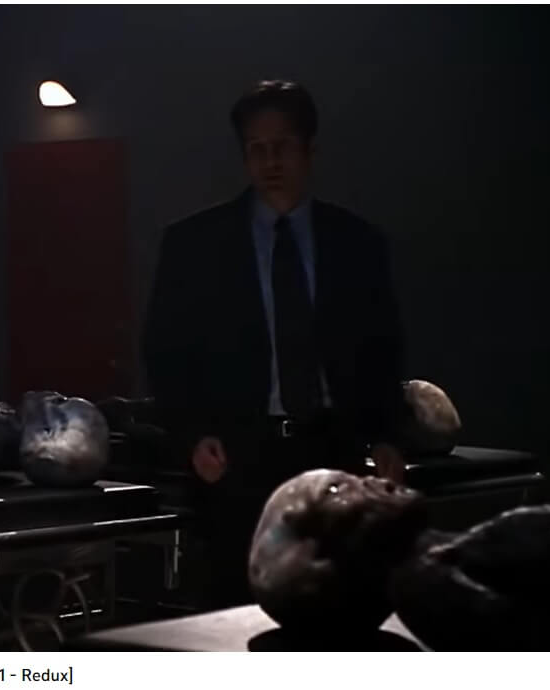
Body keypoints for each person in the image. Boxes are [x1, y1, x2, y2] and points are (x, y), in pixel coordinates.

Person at [141, 80, 407, 606]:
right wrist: (192, 435)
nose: (270, 162)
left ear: (309, 150)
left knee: (340, 600)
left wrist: (385, 435)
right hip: (240, 456)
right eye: (256, 149)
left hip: (333, 448)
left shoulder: (355, 242)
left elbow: (382, 346)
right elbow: (165, 351)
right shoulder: (197, 244)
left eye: (282, 146)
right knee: (237, 606)